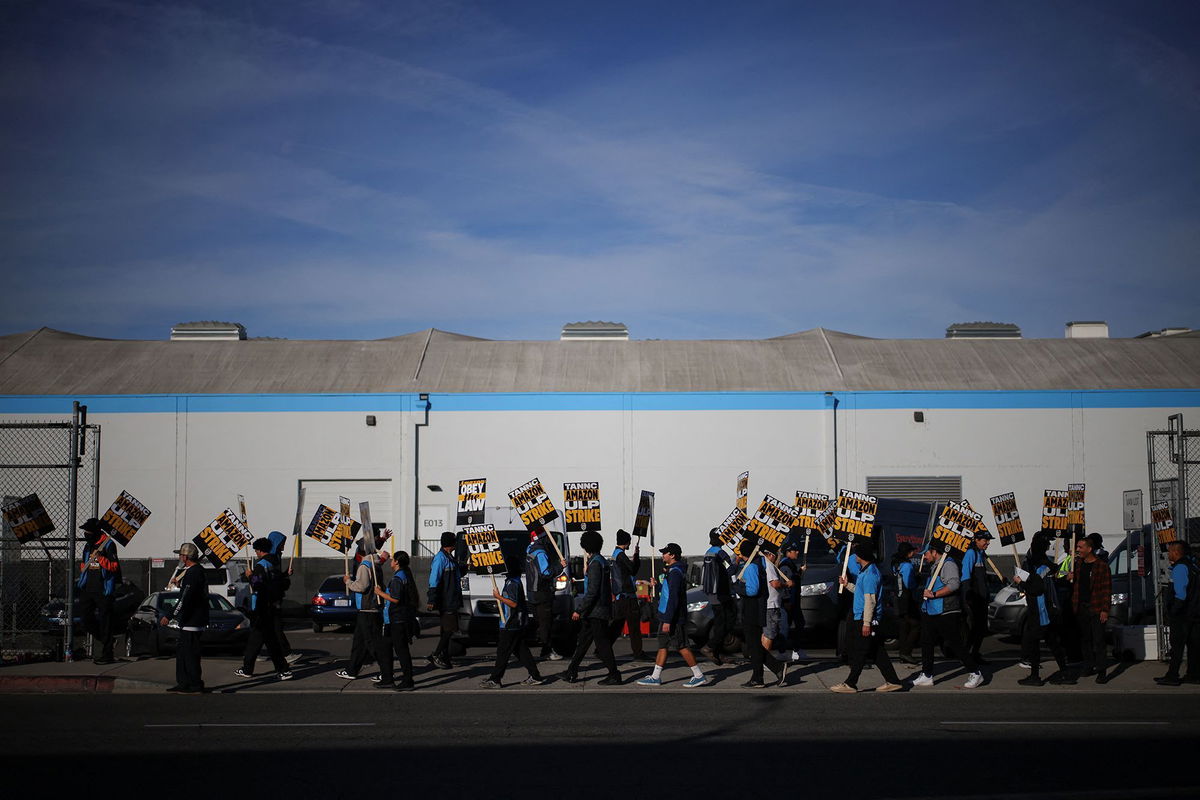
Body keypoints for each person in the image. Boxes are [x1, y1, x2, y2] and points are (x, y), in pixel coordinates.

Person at [829, 543, 903, 693]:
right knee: (876, 650)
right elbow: (860, 592)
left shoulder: (870, 575)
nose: (854, 557)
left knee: (861, 651)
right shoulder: (866, 571)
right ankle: (893, 680)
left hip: (865, 617)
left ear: (862, 556)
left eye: (856, 554)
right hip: (864, 616)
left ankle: (850, 683)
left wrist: (866, 623)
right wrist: (847, 584)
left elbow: (870, 600)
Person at [911, 542, 984, 689]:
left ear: (934, 552)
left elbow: (954, 584)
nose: (924, 557)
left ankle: (976, 672)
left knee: (954, 643)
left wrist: (935, 594)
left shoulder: (948, 564)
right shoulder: (936, 564)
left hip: (946, 611)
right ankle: (927, 674)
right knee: (926, 642)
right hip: (932, 610)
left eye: (926, 553)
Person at [636, 543, 708, 687]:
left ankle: (698, 675)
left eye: (665, 553)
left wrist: (668, 620)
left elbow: (674, 597)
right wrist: (657, 585)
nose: (663, 555)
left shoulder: (675, 572)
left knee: (681, 646)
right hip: (667, 615)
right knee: (663, 645)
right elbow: (669, 591)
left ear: (672, 555)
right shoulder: (673, 571)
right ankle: (656, 676)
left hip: (672, 617)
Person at [1014, 531, 1071, 686]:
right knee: (1052, 641)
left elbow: (1036, 588)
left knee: (1034, 642)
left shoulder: (1036, 564)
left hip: (1040, 609)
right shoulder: (1046, 562)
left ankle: (1035, 676)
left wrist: (1020, 582)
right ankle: (1065, 672)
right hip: (1047, 606)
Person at [565, 530, 622, 684]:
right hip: (597, 610)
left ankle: (614, 674)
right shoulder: (600, 561)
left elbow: (592, 591)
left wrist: (579, 609)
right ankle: (571, 671)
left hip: (596, 611)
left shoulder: (596, 563)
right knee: (583, 642)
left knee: (602, 644)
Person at [235, 538, 293, 681]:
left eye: (256, 550)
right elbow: (278, 581)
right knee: (256, 640)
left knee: (267, 641)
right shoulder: (274, 563)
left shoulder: (261, 565)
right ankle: (248, 668)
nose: (256, 553)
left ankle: (282, 669)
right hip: (272, 605)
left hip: (262, 607)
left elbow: (257, 585)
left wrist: (250, 576)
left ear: (260, 550)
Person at [481, 562, 544, 688]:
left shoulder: (512, 583)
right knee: (521, 651)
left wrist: (498, 597)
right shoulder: (514, 581)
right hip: (515, 623)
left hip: (511, 623)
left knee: (503, 653)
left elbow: (513, 603)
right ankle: (535, 675)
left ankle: (495, 679)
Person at [731, 538, 783, 687]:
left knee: (754, 645)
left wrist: (737, 587)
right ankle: (760, 676)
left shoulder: (751, 566)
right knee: (754, 645)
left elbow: (752, 590)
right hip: (756, 607)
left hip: (752, 608)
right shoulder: (758, 562)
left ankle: (767, 672)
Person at [335, 540, 385, 680]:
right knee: (359, 643)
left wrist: (348, 581)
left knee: (372, 643)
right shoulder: (375, 563)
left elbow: (362, 586)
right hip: (368, 608)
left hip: (367, 609)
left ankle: (386, 671)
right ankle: (352, 670)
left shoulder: (365, 565)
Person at [163, 542, 208, 694]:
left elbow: (185, 598)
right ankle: (183, 683)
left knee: (190, 655)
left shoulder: (194, 572)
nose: (180, 557)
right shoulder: (191, 572)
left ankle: (195, 684)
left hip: (192, 620)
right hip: (189, 620)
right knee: (182, 654)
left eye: (181, 555)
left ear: (186, 557)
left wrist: (170, 615)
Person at [76, 518, 121, 664]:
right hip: (88, 588)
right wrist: (83, 569)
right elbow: (84, 563)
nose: (85, 533)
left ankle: (107, 654)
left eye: (88, 531)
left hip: (103, 590)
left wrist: (100, 558)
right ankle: (108, 640)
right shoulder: (88, 546)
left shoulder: (108, 544)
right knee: (85, 620)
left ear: (96, 531)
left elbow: (114, 567)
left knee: (105, 622)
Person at [1157, 541, 1200, 686]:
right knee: (1193, 645)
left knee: (1177, 646)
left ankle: (1172, 675)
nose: (1168, 554)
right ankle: (1193, 675)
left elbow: (1180, 594)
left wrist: (1173, 610)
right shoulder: (1193, 566)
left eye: (1170, 551)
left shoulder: (1180, 568)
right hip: (1194, 612)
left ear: (1176, 552)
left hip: (1183, 615)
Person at [374, 550, 419, 691]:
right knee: (386, 649)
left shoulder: (398, 578)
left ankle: (408, 681)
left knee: (401, 651)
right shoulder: (403, 575)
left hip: (397, 620)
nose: (391, 561)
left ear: (397, 562)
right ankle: (387, 678)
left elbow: (396, 599)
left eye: (393, 559)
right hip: (392, 620)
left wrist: (380, 593)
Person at [1071, 534, 1112, 684]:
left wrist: (1105, 610)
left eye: (1080, 547)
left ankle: (1101, 670)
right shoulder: (1078, 564)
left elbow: (1107, 590)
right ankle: (1088, 665)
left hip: (1096, 607)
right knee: (1085, 639)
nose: (1078, 550)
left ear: (1089, 549)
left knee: (1099, 640)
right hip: (1081, 607)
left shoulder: (1101, 566)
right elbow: (1075, 583)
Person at [609, 529, 649, 662]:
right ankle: (638, 652)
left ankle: (603, 648)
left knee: (617, 625)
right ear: (626, 542)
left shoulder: (615, 554)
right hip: (627, 596)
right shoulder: (621, 555)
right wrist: (636, 557)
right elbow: (633, 570)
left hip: (620, 596)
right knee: (634, 627)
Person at [526, 528, 565, 661]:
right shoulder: (540, 553)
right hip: (542, 593)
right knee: (545, 623)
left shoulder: (529, 550)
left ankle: (544, 648)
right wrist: (560, 566)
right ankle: (547, 651)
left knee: (540, 622)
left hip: (532, 592)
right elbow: (546, 572)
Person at [426, 531, 463, 670]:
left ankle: (445, 657)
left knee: (445, 630)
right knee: (449, 629)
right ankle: (436, 654)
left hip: (452, 599)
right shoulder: (440, 558)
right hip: (446, 600)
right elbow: (433, 579)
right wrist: (432, 598)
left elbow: (457, 573)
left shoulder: (450, 558)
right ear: (451, 543)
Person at [699, 529, 736, 665]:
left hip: (712, 594)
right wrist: (736, 563)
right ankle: (710, 647)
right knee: (726, 623)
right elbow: (730, 569)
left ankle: (718, 652)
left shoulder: (708, 553)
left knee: (720, 623)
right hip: (722, 594)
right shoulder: (720, 553)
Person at [960, 529, 993, 664]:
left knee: (981, 628)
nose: (988, 543)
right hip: (974, 598)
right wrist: (968, 598)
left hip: (982, 598)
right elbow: (966, 576)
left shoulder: (981, 554)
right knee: (975, 628)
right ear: (977, 540)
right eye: (985, 541)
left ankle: (974, 654)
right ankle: (967, 655)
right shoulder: (970, 553)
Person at [776, 540, 807, 660]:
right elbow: (785, 584)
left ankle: (796, 650)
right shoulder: (785, 565)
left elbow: (794, 580)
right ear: (788, 552)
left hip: (793, 601)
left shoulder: (790, 564)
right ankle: (784, 651)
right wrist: (786, 600)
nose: (797, 552)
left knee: (796, 624)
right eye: (795, 550)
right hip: (789, 602)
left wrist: (800, 572)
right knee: (785, 627)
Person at [891, 543, 921, 665]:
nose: (913, 553)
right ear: (907, 553)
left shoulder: (895, 564)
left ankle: (903, 653)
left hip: (897, 598)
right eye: (911, 551)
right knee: (916, 625)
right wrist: (917, 579)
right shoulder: (907, 566)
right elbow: (909, 584)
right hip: (906, 599)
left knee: (903, 627)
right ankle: (906, 652)